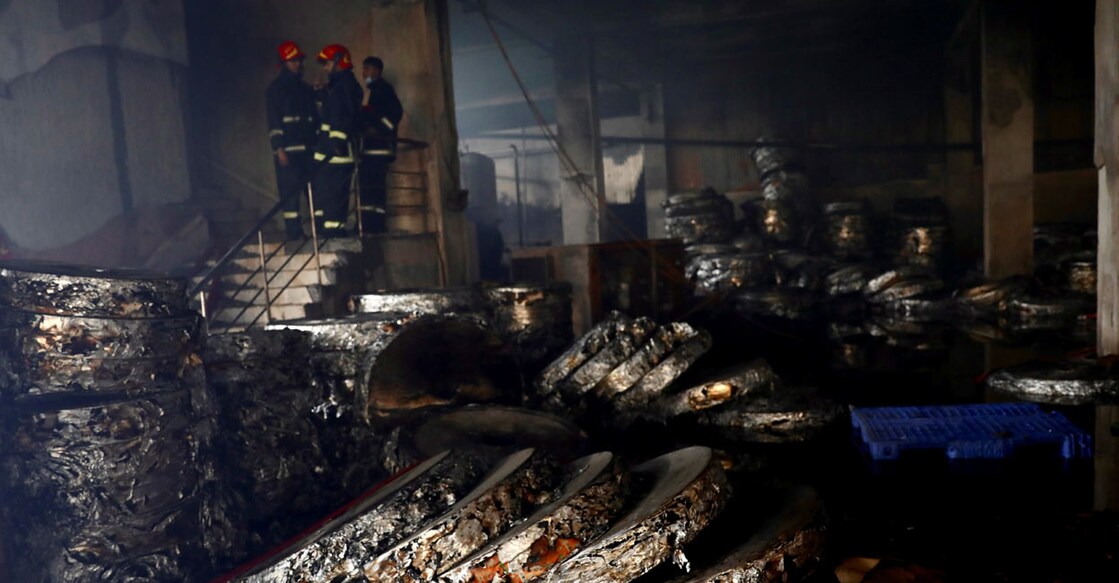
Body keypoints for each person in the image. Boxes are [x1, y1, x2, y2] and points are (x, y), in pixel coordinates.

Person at [266, 41, 318, 240]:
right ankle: (294, 233)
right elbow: (274, 122)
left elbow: (314, 117)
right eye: (293, 60)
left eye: (299, 60)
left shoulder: (305, 89)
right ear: (284, 63)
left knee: (313, 191)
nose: (298, 64)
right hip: (288, 152)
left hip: (308, 149)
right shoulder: (275, 90)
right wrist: (279, 149)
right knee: (290, 194)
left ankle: (318, 230)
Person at [312, 44, 363, 237]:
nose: (325, 68)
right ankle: (326, 229)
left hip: (337, 153)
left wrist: (336, 144)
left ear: (338, 62)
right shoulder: (338, 86)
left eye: (327, 63)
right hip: (328, 150)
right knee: (326, 191)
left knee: (336, 193)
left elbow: (343, 118)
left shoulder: (346, 86)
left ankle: (333, 231)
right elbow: (330, 113)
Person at [358, 56, 404, 234]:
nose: (364, 73)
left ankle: (374, 225)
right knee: (370, 188)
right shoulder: (375, 90)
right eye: (363, 69)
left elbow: (393, 115)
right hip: (372, 150)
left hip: (379, 149)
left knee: (374, 188)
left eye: (367, 69)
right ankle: (370, 224)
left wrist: (379, 128)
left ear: (377, 71)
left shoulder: (384, 90)